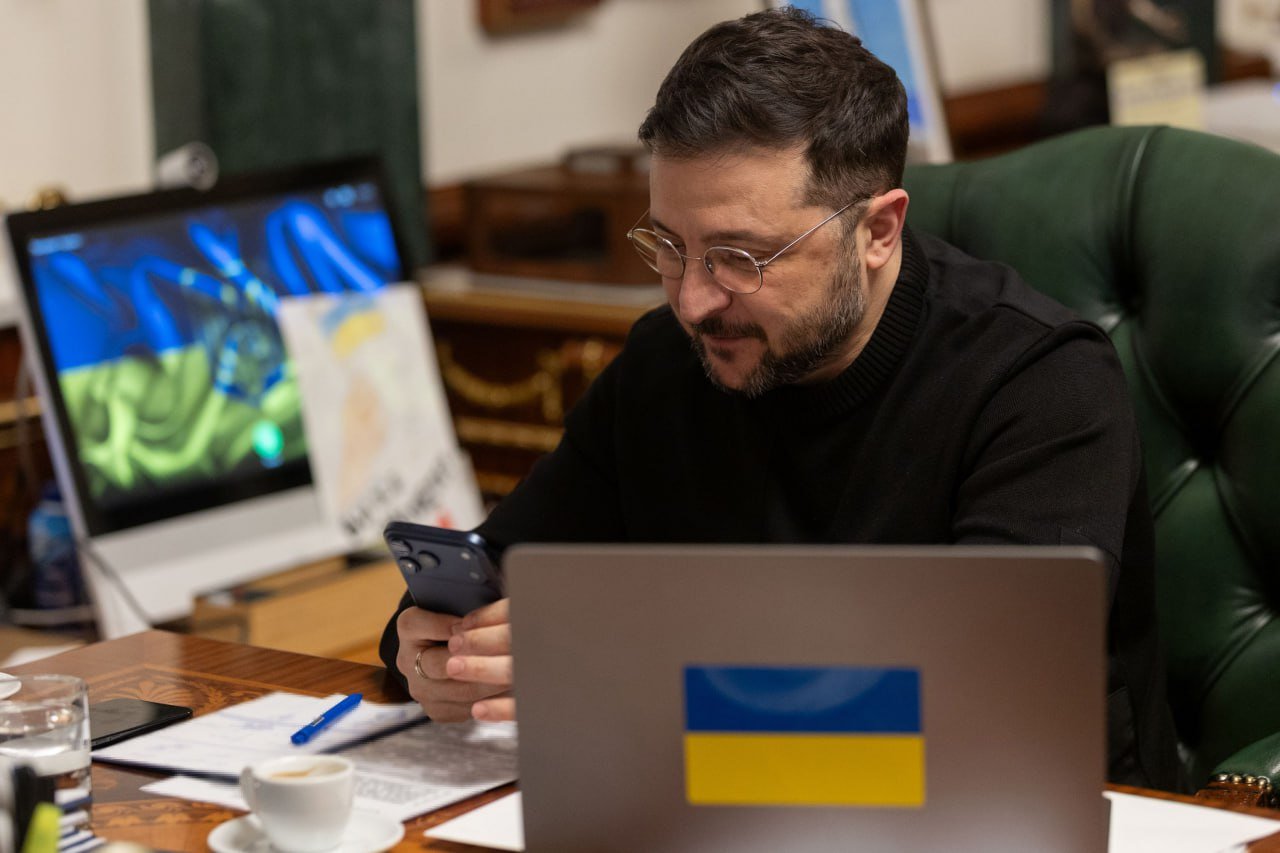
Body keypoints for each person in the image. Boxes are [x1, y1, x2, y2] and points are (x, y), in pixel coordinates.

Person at [381, 7, 1182, 790]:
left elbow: (981, 690)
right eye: (670, 245)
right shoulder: (668, 361)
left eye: (739, 256)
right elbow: (496, 570)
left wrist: (619, 658)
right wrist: (435, 651)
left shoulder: (1039, 381)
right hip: (715, 796)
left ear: (877, 231)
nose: (692, 301)